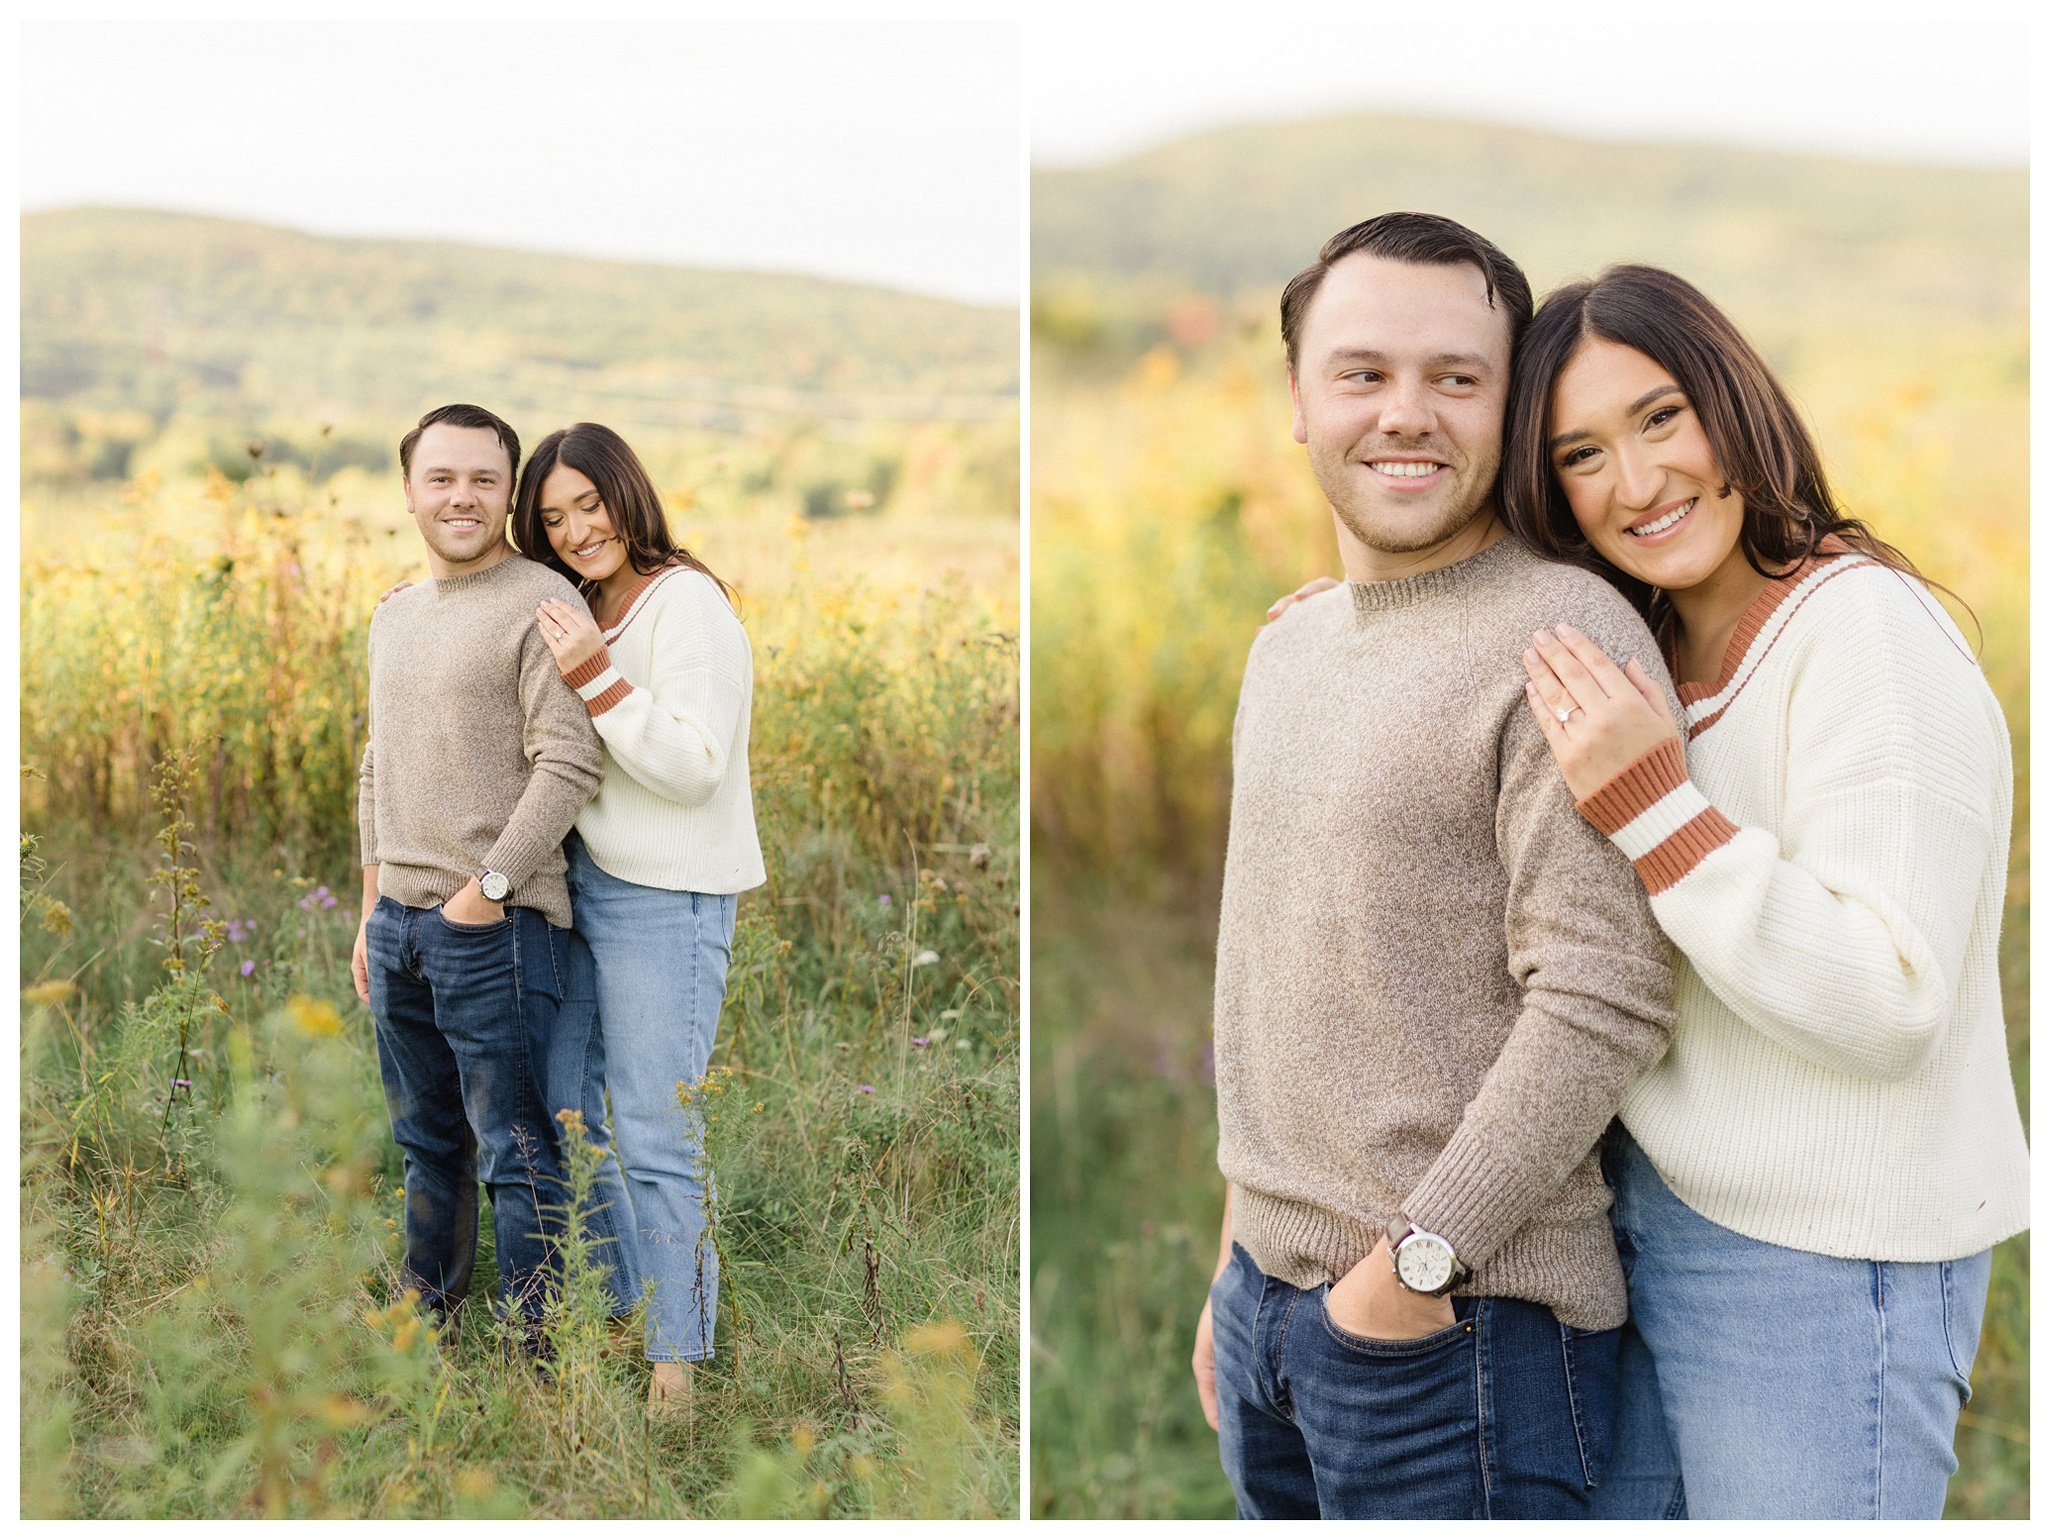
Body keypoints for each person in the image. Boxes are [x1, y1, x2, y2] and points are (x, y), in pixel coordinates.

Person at [1271, 264, 2030, 1519]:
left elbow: (1889, 999)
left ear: (1734, 403)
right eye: (1579, 453)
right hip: (1649, 1227)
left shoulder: (1866, 637)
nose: (1636, 482)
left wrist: (1658, 810)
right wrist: (1377, 621)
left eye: (1661, 418)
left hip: (1828, 1262)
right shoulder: (1641, 646)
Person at [1194, 214, 1678, 1520]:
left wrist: (1405, 1276)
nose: (1405, 414)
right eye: (1362, 373)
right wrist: (1235, 1264)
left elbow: (1604, 993)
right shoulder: (1288, 647)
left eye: (1453, 378)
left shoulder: (1564, 640)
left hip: (1464, 1335)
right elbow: (1270, 976)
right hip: (1268, 1312)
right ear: (1296, 399)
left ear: (1506, 403)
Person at [350, 403, 630, 1339]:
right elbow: (375, 765)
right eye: (442, 478)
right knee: (426, 1141)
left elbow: (569, 764)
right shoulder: (394, 615)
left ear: (508, 492)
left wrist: (488, 893)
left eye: (482, 479)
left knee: (517, 1150)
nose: (461, 496)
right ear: (409, 491)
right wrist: (368, 910)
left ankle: (537, 1348)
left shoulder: (541, 600)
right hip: (397, 925)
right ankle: (425, 1315)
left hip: (496, 932)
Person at [511, 422, 765, 1414]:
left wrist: (597, 679)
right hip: (581, 890)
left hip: (668, 896)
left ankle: (676, 1361)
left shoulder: (685, 603)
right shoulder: (579, 604)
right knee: (568, 1107)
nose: (577, 529)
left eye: (590, 503)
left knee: (658, 1128)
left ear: (628, 491)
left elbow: (696, 766)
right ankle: (626, 1298)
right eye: (554, 517)